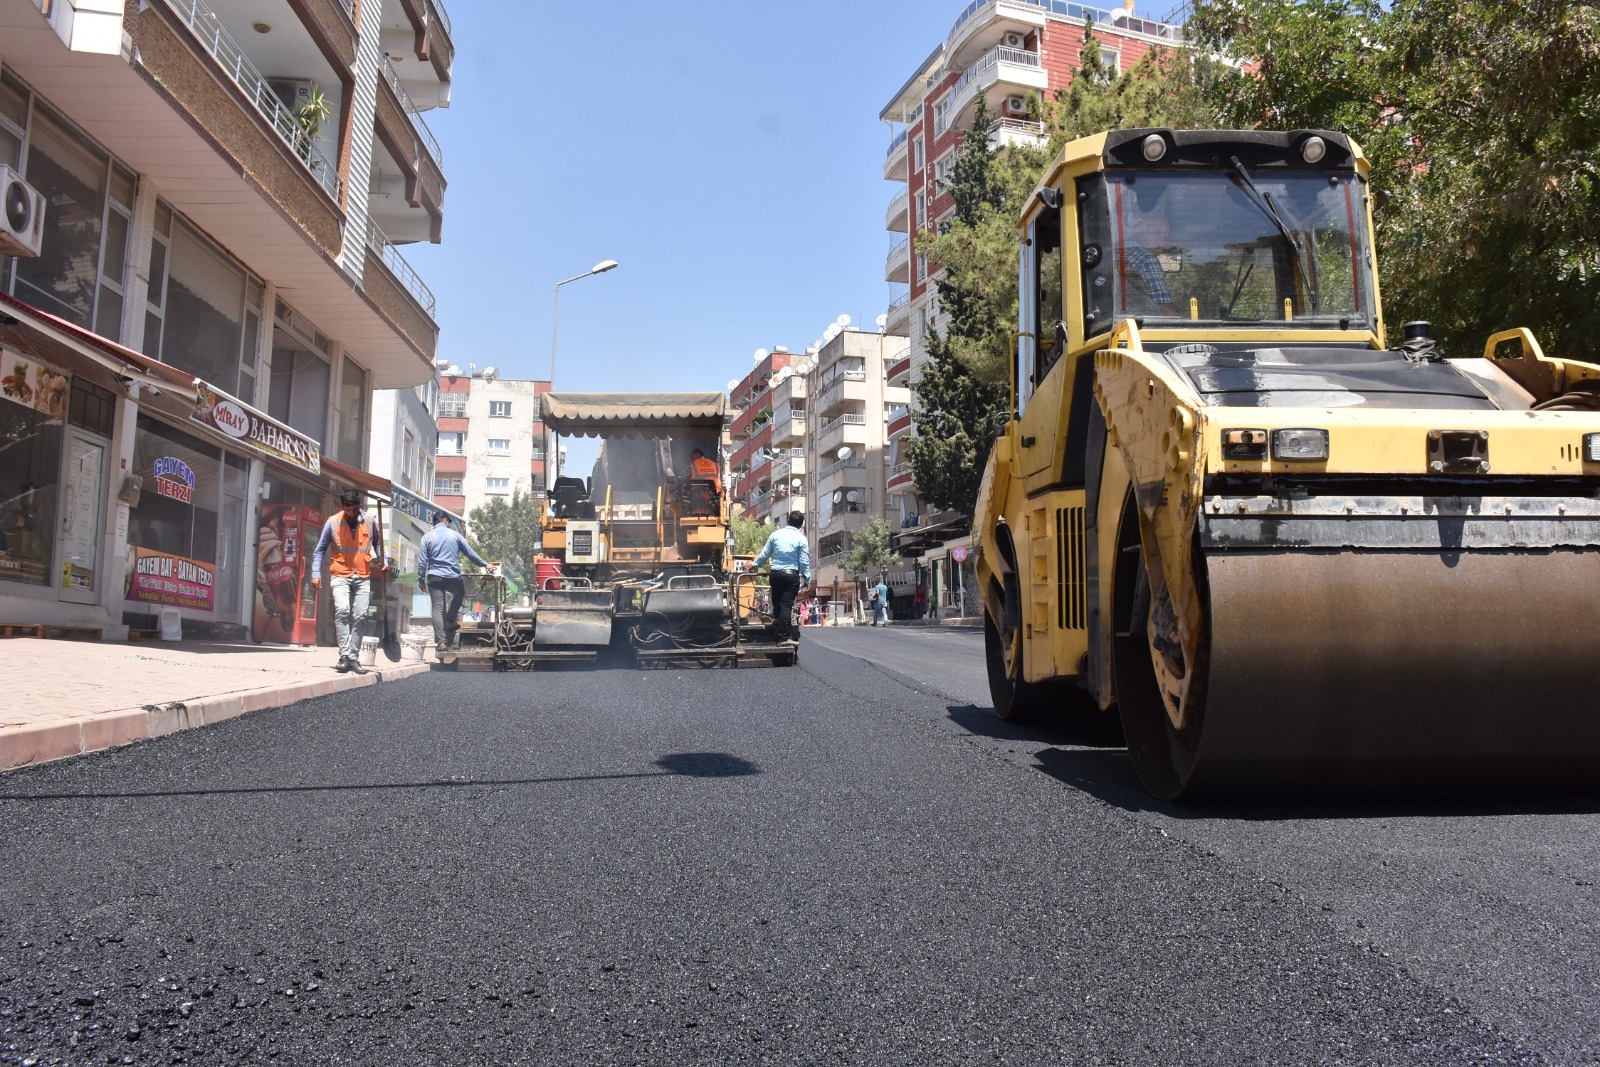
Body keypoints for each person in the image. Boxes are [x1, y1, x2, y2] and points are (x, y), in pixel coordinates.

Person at [310, 489, 387, 674]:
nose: (351, 514)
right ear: (342, 506)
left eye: (353, 510)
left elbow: (378, 543)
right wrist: (315, 573)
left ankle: (353, 658)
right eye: (347, 510)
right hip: (340, 574)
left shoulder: (369, 520)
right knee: (342, 610)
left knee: (360, 616)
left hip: (362, 574)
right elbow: (320, 550)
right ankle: (343, 656)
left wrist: (383, 559)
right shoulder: (333, 522)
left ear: (359, 506)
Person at [417, 511, 493, 654]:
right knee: (459, 593)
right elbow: (470, 553)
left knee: (437, 609)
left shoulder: (427, 537)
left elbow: (422, 561)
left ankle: (441, 643)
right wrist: (484, 564)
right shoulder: (455, 535)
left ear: (435, 522)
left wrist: (420, 579)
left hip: (434, 577)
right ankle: (450, 619)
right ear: (445, 521)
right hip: (452, 576)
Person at [752, 510, 811, 645]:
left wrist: (754, 564)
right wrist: (807, 580)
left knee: (777, 604)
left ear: (788, 520)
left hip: (775, 574)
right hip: (791, 576)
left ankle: (778, 630)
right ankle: (784, 638)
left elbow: (765, 554)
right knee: (786, 607)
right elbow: (804, 561)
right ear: (801, 524)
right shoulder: (801, 539)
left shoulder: (775, 535)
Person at [1123, 207, 1180, 316]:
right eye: (1157, 233)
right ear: (1141, 230)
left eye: (1165, 237)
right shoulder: (1147, 259)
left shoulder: (1114, 250)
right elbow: (1167, 310)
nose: (1161, 241)